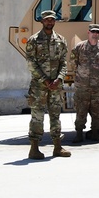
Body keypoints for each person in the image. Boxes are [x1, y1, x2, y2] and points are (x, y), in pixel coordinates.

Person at [24, 9, 71, 160]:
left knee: (55, 115)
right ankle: (34, 148)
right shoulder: (34, 40)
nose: (49, 22)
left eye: (52, 20)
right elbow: (31, 63)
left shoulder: (61, 40)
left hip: (55, 85)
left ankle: (57, 147)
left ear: (54, 21)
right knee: (37, 117)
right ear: (42, 21)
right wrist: (45, 79)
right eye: (46, 20)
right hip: (39, 86)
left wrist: (59, 79)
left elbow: (64, 62)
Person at [70, 23, 99, 144]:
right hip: (82, 85)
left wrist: (97, 75)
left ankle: (95, 133)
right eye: (92, 32)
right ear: (88, 33)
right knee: (81, 109)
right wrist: (81, 74)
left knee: (97, 110)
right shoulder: (80, 47)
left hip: (98, 86)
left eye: (97, 32)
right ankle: (79, 133)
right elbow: (73, 62)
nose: (95, 34)